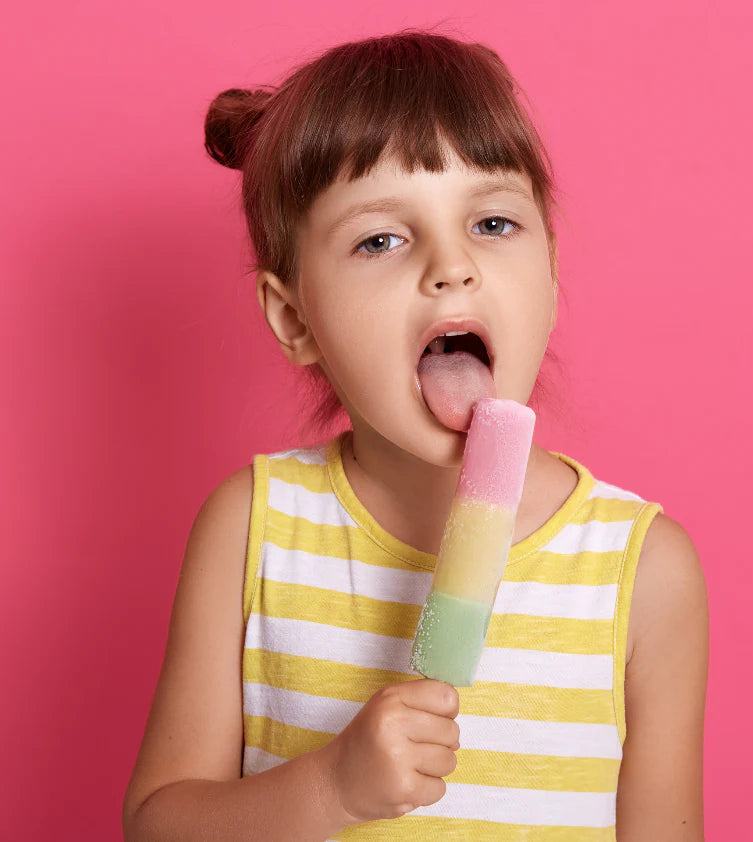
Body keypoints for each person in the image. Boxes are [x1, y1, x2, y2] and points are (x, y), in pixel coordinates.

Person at [122, 29, 708, 842]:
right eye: (381, 239)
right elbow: (158, 825)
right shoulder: (253, 529)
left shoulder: (643, 572)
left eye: (494, 223)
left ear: (551, 273)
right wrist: (329, 789)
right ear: (295, 320)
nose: (452, 265)